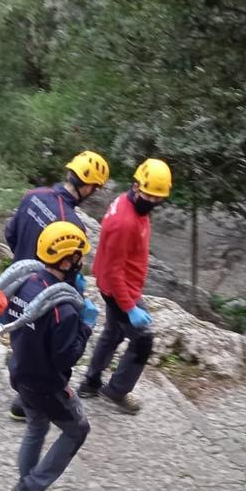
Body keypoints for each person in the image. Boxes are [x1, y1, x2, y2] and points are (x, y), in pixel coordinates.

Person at [4, 150, 109, 421]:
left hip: (19, 283)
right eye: (95, 189)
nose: (93, 193)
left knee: (22, 337)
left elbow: (10, 232)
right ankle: (27, 402)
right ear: (87, 186)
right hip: (46, 292)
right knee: (46, 348)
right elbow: (69, 270)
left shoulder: (32, 195)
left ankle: (20, 379)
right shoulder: (71, 224)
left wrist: (24, 258)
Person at [8, 221, 98, 491]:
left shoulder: (26, 283)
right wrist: (85, 325)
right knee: (77, 429)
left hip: (21, 372)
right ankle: (31, 487)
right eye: (78, 257)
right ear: (67, 259)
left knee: (36, 426)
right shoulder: (65, 311)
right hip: (46, 385)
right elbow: (66, 357)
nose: (81, 263)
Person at [79, 157, 172, 414]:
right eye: (148, 195)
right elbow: (114, 269)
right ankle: (117, 390)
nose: (152, 202)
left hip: (117, 285)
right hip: (119, 289)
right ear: (135, 186)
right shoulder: (124, 222)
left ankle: (90, 382)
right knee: (143, 341)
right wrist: (130, 307)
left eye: (157, 198)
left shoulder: (130, 204)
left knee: (113, 333)